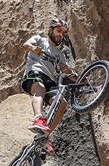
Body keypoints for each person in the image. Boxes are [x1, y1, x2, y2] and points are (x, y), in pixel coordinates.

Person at [20, 17, 76, 155]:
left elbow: (66, 70)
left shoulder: (60, 55)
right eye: (58, 31)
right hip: (35, 72)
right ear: (50, 30)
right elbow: (25, 45)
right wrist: (34, 48)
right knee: (40, 88)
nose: (60, 35)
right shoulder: (40, 40)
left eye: (63, 33)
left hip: (50, 79)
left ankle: (45, 136)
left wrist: (80, 77)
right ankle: (38, 118)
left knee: (61, 104)